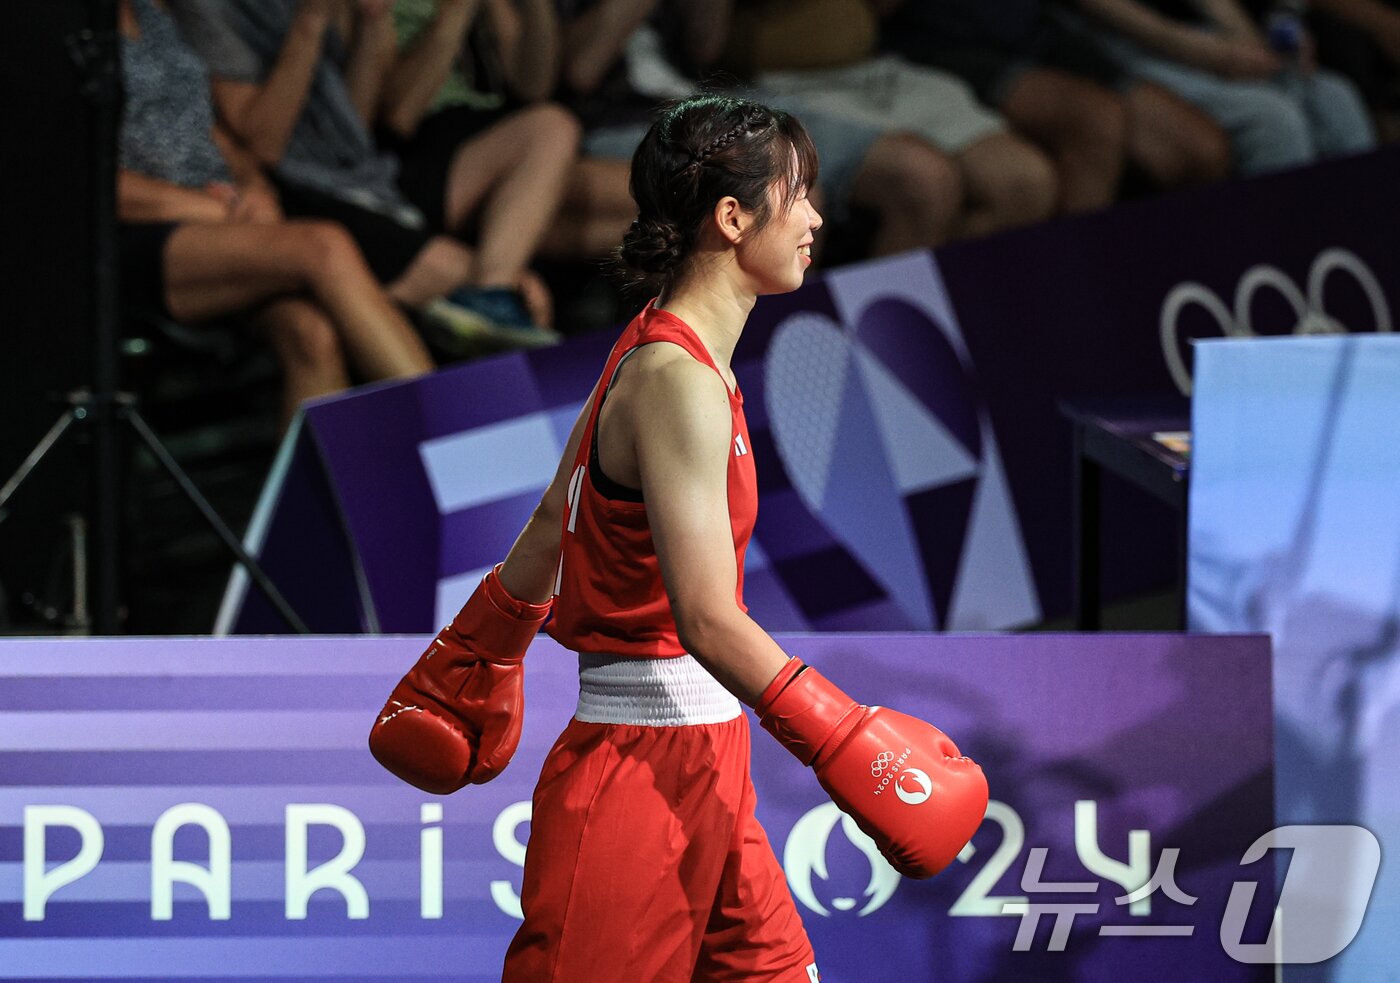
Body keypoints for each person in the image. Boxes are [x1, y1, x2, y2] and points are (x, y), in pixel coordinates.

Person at [369, 95, 989, 981]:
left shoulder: (664, 352)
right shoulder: (675, 379)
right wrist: (849, 739)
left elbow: (557, 516)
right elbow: (705, 617)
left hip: (708, 756)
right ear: (734, 218)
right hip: (635, 776)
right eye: (799, 193)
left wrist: (483, 651)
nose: (816, 215)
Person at [117, 0, 433, 428]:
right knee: (323, 244)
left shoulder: (153, 14)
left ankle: (313, 496)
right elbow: (77, 181)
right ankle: (452, 437)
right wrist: (215, 210)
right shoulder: (63, 37)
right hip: (137, 236)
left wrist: (253, 187)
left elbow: (207, 129)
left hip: (225, 221)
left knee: (311, 333)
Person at [182, 0, 564, 352]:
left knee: (522, 287)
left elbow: (358, 128)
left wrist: (371, 22)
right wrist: (311, 23)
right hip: (297, 192)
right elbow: (264, 148)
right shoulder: (212, 9)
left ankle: (490, 305)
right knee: (526, 295)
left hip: (363, 177)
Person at [881, 0, 1232, 212]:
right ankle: (1075, 292)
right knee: (1096, 121)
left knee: (1202, 150)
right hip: (936, 44)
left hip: (1036, 29)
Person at [1072, 0, 1376, 175]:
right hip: (1116, 46)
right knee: (1273, 120)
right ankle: (1286, 257)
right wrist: (1204, 53)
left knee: (1335, 97)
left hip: (1201, 36)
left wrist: (1248, 41)